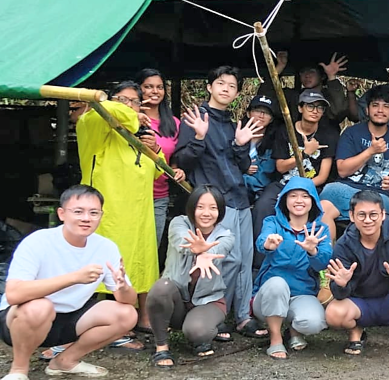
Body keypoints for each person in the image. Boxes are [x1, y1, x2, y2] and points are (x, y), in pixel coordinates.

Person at [0, 186, 139, 380]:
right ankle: (19, 369)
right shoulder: (38, 241)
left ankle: (65, 361)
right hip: (21, 320)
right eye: (78, 211)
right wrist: (74, 278)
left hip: (70, 317)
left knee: (127, 314)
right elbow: (14, 294)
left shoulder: (106, 246)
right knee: (40, 307)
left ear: (101, 216)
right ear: (62, 214)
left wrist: (123, 286)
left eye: (94, 213)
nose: (86, 218)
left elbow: (128, 300)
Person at [174, 66, 266, 339]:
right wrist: (199, 137)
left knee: (245, 260)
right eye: (221, 83)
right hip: (215, 202)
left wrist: (241, 145)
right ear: (209, 87)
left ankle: (243, 317)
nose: (226, 89)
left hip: (239, 198)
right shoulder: (196, 119)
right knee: (225, 260)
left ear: (237, 94)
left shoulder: (232, 124)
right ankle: (216, 315)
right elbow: (183, 161)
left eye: (232, 86)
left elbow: (244, 166)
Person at [75, 81, 165, 351]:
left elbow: (156, 171)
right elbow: (101, 109)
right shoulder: (94, 125)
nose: (129, 105)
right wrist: (132, 114)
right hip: (109, 214)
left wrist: (154, 149)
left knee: (143, 264)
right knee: (112, 269)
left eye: (135, 101)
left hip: (140, 213)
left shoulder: (136, 135)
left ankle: (140, 320)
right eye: (123, 100)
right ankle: (112, 329)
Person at [324, 191, 389, 365]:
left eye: (373, 214)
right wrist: (341, 284)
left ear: (383, 214)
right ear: (352, 216)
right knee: (333, 314)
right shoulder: (344, 244)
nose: (368, 220)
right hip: (359, 303)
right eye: (361, 215)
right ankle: (356, 330)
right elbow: (338, 294)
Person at [146, 185, 235, 366]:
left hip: (208, 301)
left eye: (213, 208)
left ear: (220, 211)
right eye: (200, 207)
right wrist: (197, 251)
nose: (206, 213)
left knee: (198, 331)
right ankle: (161, 347)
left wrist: (206, 253)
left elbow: (220, 249)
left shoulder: (226, 235)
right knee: (160, 288)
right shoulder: (179, 223)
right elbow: (181, 241)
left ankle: (206, 330)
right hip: (176, 298)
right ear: (192, 207)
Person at [252, 177, 334, 360]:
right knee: (277, 284)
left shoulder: (321, 229)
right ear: (284, 199)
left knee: (314, 322)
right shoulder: (272, 222)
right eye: (293, 196)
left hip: (302, 294)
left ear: (313, 201)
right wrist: (268, 244)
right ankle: (275, 338)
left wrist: (313, 251)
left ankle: (293, 331)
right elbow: (262, 241)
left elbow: (324, 262)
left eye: (305, 196)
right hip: (268, 297)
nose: (299, 200)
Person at [321, 85, 389, 221]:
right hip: (348, 188)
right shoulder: (351, 133)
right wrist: (370, 151)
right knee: (327, 198)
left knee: (383, 207)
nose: (380, 110)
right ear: (367, 110)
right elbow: (342, 171)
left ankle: (356, 218)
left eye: (386, 106)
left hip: (380, 195)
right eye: (375, 105)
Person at [254, 89, 338, 232]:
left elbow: (322, 176)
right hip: (283, 184)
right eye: (310, 106)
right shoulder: (286, 130)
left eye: (320, 107)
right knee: (263, 206)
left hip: (311, 186)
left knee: (317, 212)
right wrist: (304, 154)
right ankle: (262, 244)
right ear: (300, 108)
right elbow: (280, 167)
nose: (315, 111)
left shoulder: (329, 135)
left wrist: (300, 190)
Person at [137, 68, 182, 250]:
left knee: (151, 248)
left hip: (158, 195)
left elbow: (177, 155)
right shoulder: (129, 119)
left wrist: (177, 168)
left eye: (159, 87)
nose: (155, 91)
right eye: (148, 86)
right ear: (139, 89)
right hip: (130, 193)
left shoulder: (174, 123)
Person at [267, 52, 354, 127]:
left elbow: (339, 111)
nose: (307, 75)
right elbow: (266, 98)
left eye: (312, 71)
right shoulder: (293, 96)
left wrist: (331, 77)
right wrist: (280, 67)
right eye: (303, 72)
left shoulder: (329, 96)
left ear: (322, 76)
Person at [240, 95, 278, 204]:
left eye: (266, 113)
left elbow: (262, 180)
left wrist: (240, 175)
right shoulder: (235, 135)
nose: (261, 115)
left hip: (254, 194)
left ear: (271, 119)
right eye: (257, 111)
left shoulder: (273, 143)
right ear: (248, 113)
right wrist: (243, 168)